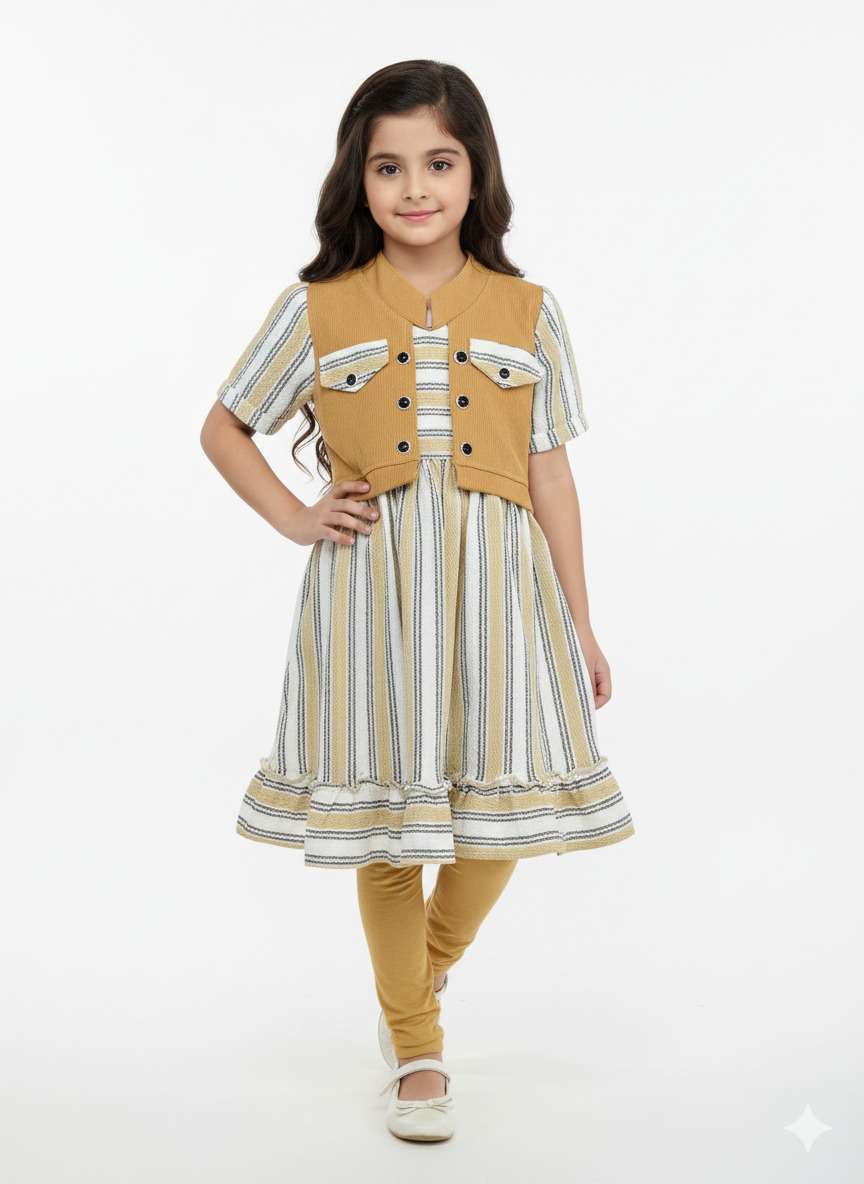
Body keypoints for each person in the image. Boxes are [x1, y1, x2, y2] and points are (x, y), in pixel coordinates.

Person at [200, 59, 636, 1143]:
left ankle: (419, 970)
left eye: (438, 162)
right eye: (388, 166)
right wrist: (298, 517)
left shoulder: (530, 311)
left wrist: (580, 620)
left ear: (476, 171)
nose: (414, 188)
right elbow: (225, 427)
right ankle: (417, 1045)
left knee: (502, 815)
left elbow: (550, 476)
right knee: (391, 826)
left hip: (501, 597)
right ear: (358, 179)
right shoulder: (316, 308)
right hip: (371, 600)